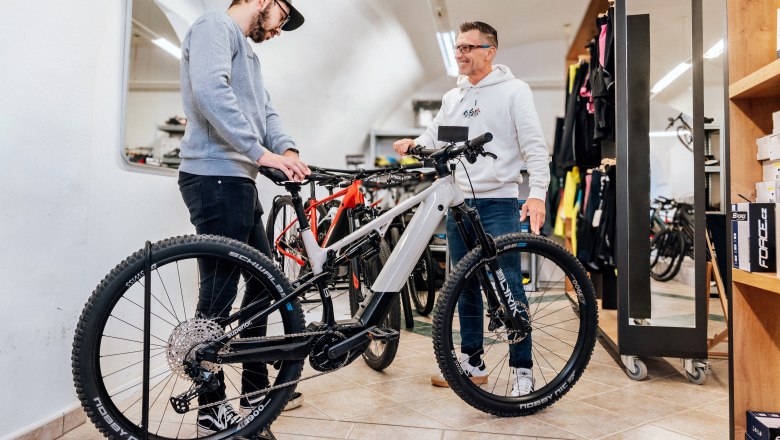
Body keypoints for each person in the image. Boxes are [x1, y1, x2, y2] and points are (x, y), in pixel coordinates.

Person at [393, 21, 550, 397]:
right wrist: (414, 142)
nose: (460, 53)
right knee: (461, 285)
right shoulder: (454, 97)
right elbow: (437, 137)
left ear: (489, 51)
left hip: (498, 201)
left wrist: (538, 193)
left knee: (507, 285)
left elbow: (534, 145)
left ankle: (522, 369)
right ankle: (473, 362)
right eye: (457, 47)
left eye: (467, 47)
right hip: (459, 204)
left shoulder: (515, 91)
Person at [177, 0, 310, 434]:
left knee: (264, 285)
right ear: (263, 1)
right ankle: (210, 411)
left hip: (238, 180)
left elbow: (264, 111)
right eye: (281, 19)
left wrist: (285, 149)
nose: (278, 31)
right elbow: (209, 93)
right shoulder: (213, 26)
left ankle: (256, 392)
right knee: (218, 296)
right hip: (214, 177)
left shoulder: (247, 53)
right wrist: (260, 153)